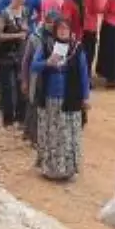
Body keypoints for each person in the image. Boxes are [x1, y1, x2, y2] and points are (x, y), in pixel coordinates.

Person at [30, 15, 90, 181]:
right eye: (60, 28)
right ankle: (51, 169)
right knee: (53, 133)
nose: (63, 31)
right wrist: (47, 63)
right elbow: (34, 66)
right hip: (50, 99)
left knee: (68, 134)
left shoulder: (77, 49)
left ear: (70, 31)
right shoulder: (45, 46)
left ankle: (68, 170)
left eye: (66, 28)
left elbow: (84, 74)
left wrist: (85, 97)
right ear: (55, 31)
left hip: (71, 99)